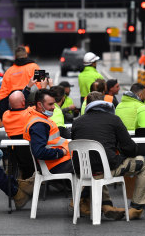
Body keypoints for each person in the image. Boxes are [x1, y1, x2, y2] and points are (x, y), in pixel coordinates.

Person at [24, 89, 124, 219]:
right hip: (56, 164)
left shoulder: (40, 119)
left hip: (59, 162)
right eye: (50, 105)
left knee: (92, 164)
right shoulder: (39, 124)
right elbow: (39, 152)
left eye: (54, 104)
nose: (53, 108)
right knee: (95, 166)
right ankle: (87, 202)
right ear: (39, 105)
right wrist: (62, 152)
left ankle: (94, 203)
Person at [71, 91, 145, 220]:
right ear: (104, 102)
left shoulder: (77, 122)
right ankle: (137, 208)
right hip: (106, 169)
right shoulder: (114, 120)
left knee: (98, 164)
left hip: (82, 171)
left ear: (86, 104)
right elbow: (130, 148)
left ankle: (107, 205)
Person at [0, 46, 41, 116]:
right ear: (26, 55)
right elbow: (42, 83)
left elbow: (3, 93)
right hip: (31, 102)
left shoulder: (9, 71)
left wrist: (4, 110)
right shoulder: (35, 66)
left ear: (15, 57)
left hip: (14, 103)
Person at [2, 91, 34, 179]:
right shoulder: (30, 113)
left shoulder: (5, 115)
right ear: (23, 102)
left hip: (15, 152)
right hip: (31, 153)